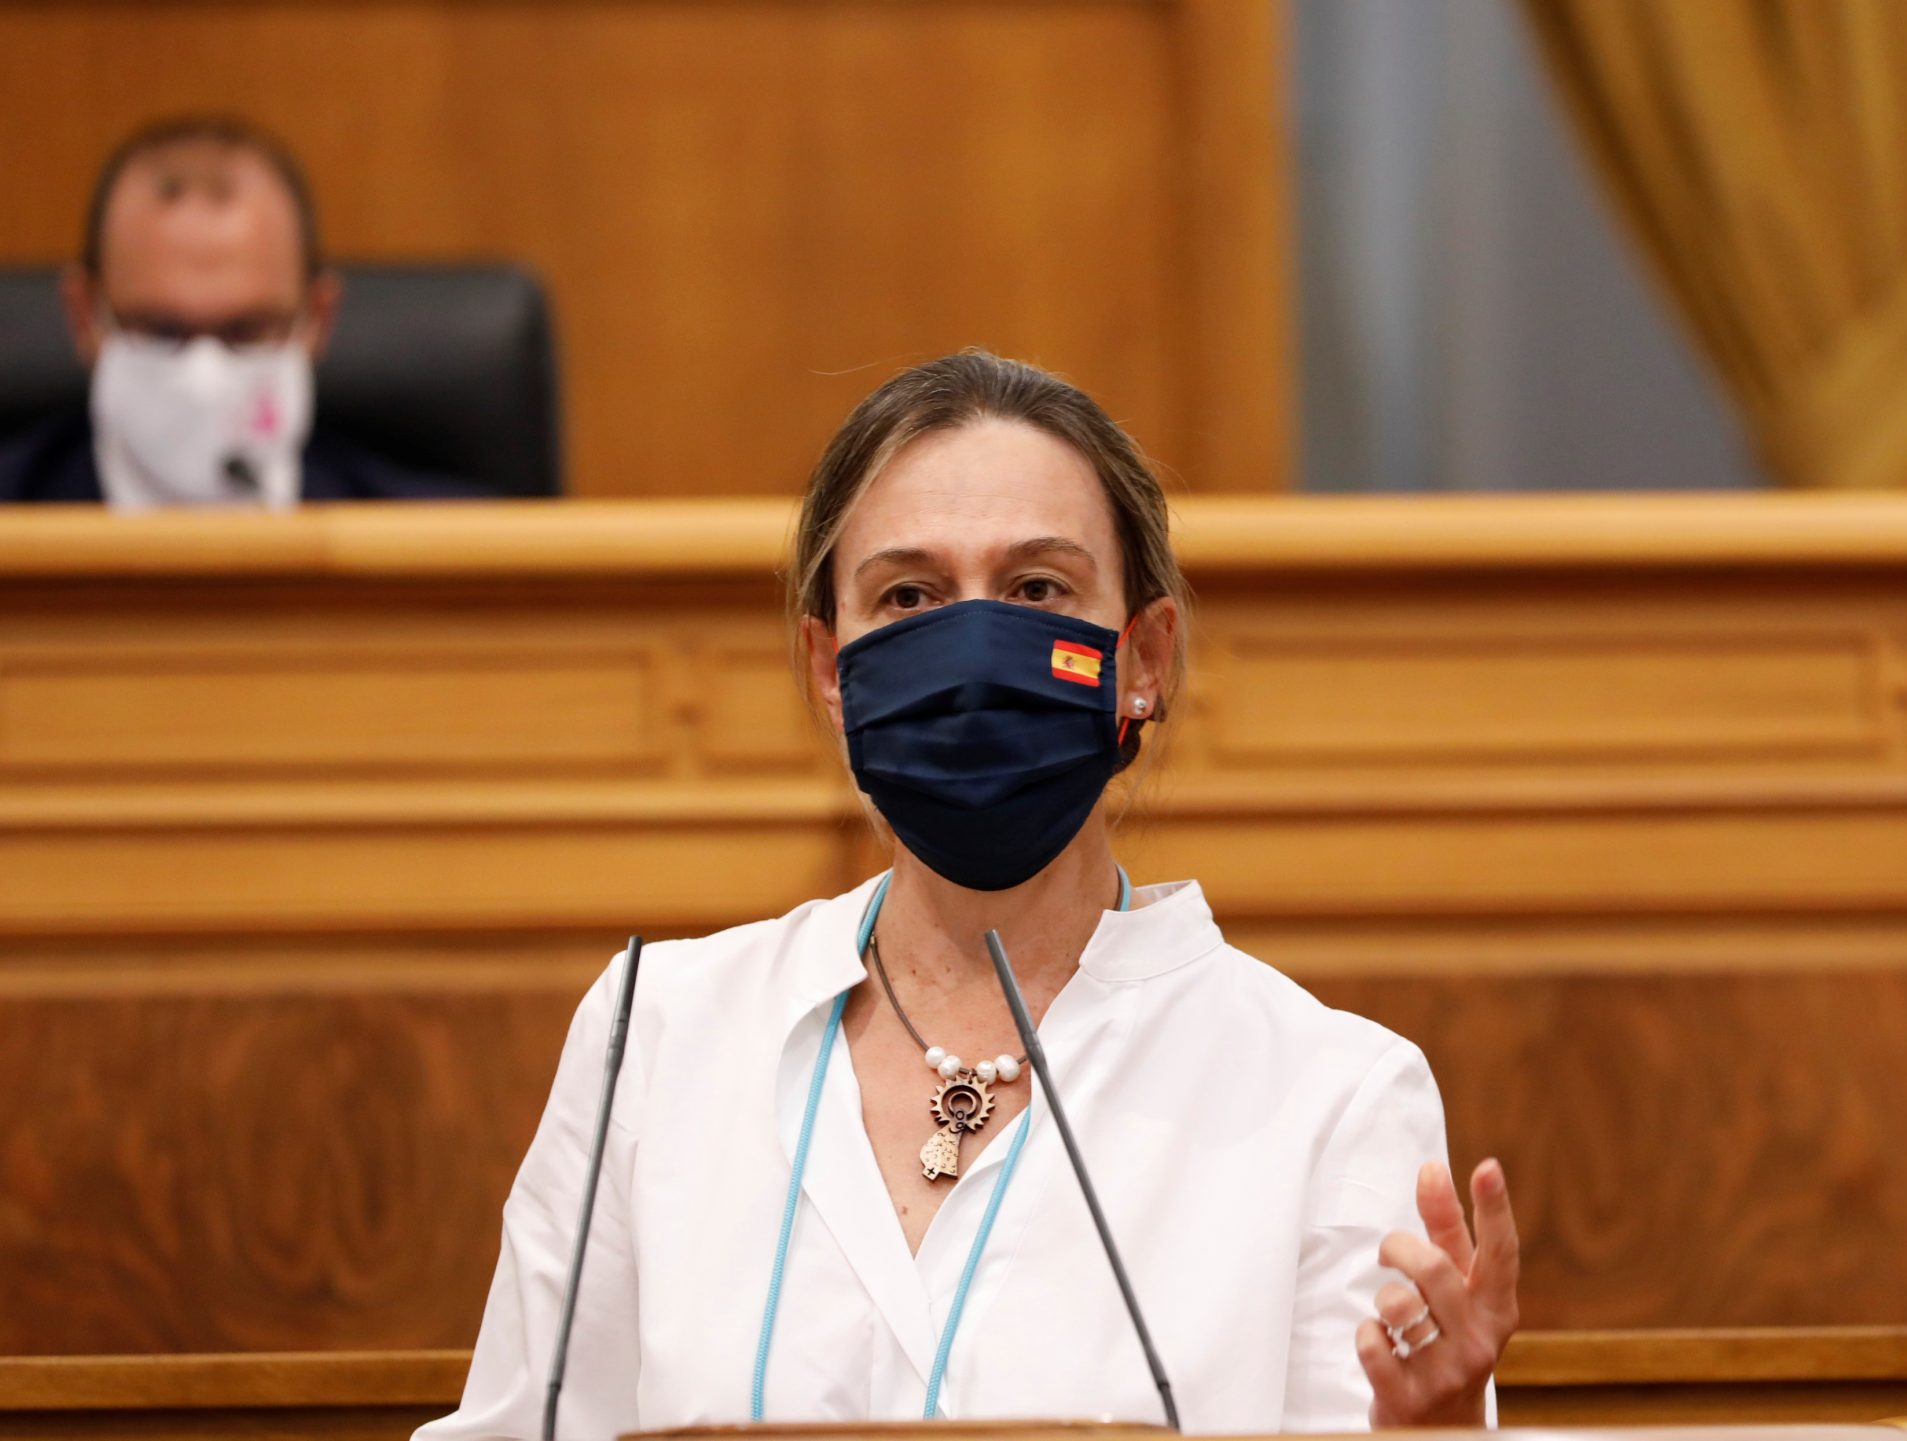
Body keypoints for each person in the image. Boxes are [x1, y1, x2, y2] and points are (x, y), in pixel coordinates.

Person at [422, 351, 1517, 1437]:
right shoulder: (653, 1033)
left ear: (1143, 658)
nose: (975, 648)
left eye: (1038, 587)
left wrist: (1429, 1437)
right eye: (909, 595)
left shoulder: (1329, 1094)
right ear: (828, 669)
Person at [0, 115, 473, 506]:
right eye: (162, 332)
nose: (204, 378)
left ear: (318, 319)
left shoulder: (443, 547)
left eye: (246, 332)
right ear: (84, 317)